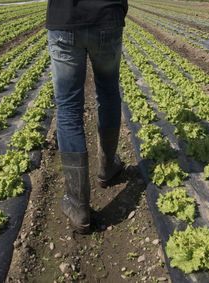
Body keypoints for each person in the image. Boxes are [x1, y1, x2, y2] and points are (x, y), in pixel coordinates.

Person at [46, 0, 128, 233]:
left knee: (69, 108)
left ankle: (78, 205)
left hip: (65, 18)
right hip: (107, 16)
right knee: (109, 93)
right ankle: (107, 168)